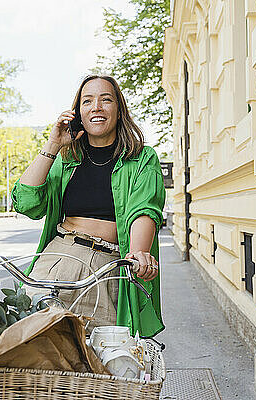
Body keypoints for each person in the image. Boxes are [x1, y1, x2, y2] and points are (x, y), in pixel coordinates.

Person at [11, 75, 165, 338]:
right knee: (34, 350)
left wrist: (139, 253)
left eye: (106, 100)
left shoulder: (141, 158)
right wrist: (53, 144)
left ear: (119, 109)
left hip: (110, 266)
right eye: (87, 101)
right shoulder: (66, 159)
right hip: (59, 257)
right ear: (78, 113)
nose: (96, 107)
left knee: (102, 361)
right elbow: (26, 203)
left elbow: (145, 209)